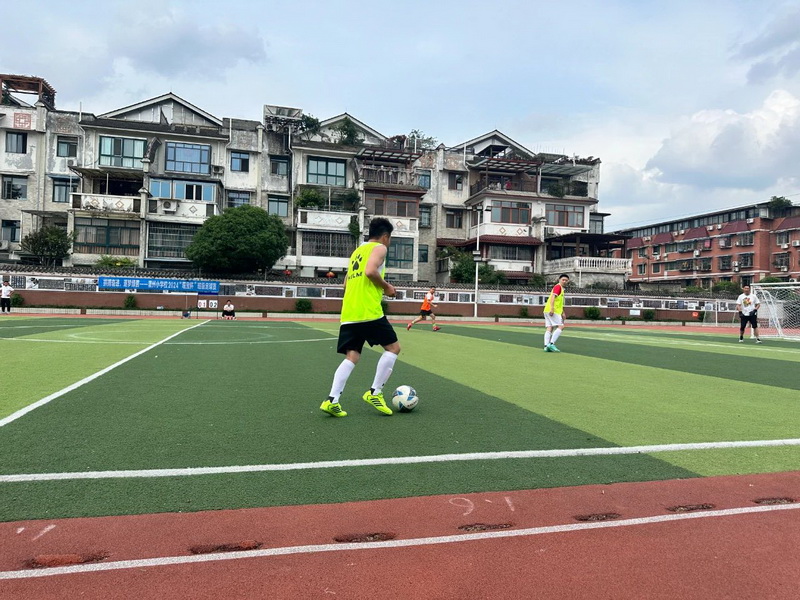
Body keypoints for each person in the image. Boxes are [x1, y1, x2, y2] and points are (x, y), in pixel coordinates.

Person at [320, 217, 400, 418]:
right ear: (385, 236)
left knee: (352, 356)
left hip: (349, 313)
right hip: (368, 311)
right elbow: (371, 271)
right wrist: (387, 287)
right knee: (393, 348)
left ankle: (332, 400)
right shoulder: (379, 248)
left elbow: (345, 284)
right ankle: (375, 392)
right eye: (389, 238)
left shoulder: (357, 252)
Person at [543, 274, 569, 352]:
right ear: (559, 280)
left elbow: (559, 302)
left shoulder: (560, 288)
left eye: (566, 280)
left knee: (549, 327)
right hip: (553, 310)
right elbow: (553, 298)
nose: (564, 281)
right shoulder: (558, 287)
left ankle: (546, 346)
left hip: (547, 310)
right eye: (563, 280)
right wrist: (552, 309)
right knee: (561, 326)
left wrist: (562, 312)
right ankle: (551, 344)